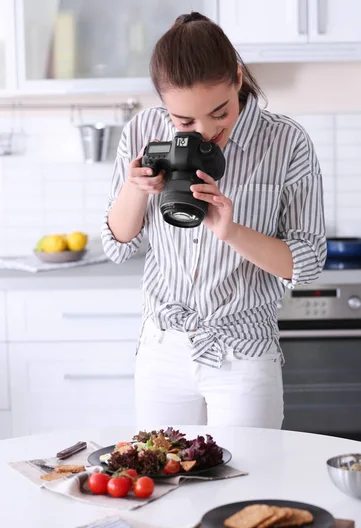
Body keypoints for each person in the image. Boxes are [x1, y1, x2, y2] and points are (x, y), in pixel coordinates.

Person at [101, 12, 326, 430]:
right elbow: (118, 246)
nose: (205, 131)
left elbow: (307, 264)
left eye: (219, 112)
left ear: (238, 78)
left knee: (248, 483)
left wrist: (231, 231)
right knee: (166, 485)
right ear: (165, 106)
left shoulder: (286, 142)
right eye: (185, 122)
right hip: (163, 348)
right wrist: (136, 188)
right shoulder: (144, 130)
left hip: (244, 352)